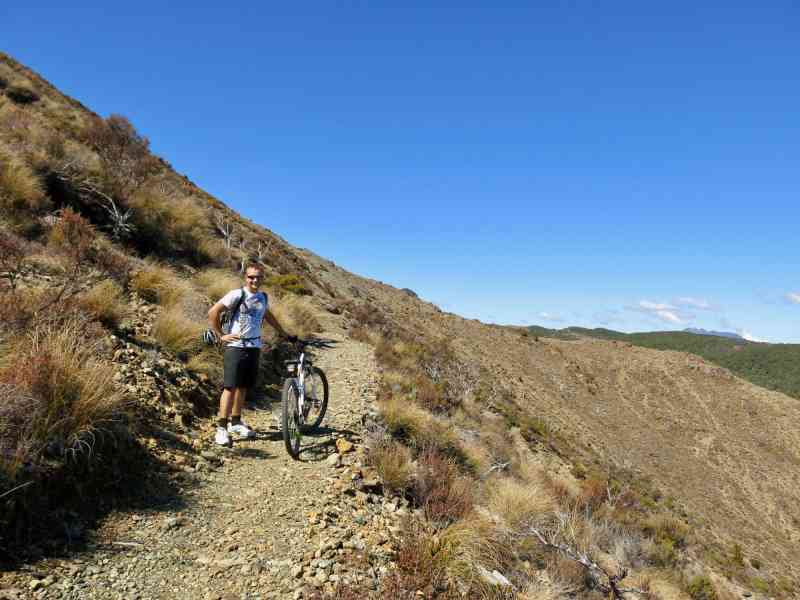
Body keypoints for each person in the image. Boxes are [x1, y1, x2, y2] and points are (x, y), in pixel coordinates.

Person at [208, 261, 290, 446]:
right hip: (236, 346)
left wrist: (283, 332)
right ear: (245, 277)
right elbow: (213, 312)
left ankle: (236, 422)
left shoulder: (263, 297)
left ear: (263, 278)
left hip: (254, 346)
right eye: (251, 277)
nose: (254, 280)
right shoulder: (237, 294)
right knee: (230, 387)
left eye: (258, 277)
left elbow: (268, 315)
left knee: (243, 386)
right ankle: (221, 428)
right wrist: (221, 335)